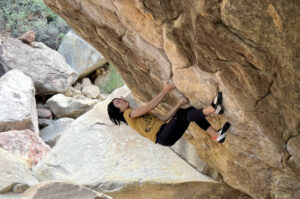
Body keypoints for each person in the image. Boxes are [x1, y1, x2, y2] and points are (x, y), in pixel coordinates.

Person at [107, 83, 230, 146]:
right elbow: (150, 106)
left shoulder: (135, 116)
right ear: (119, 111)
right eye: (118, 102)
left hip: (165, 135)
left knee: (188, 112)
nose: (121, 99)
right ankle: (213, 109)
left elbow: (164, 118)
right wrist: (165, 90)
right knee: (182, 114)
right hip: (162, 136)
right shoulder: (128, 114)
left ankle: (216, 135)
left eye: (119, 99)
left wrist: (178, 104)